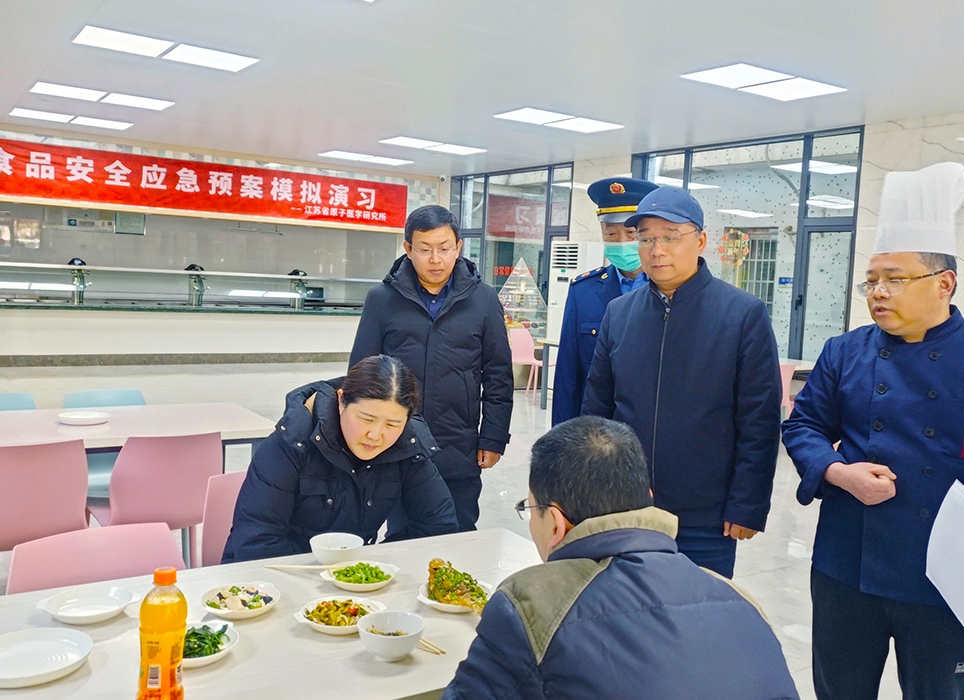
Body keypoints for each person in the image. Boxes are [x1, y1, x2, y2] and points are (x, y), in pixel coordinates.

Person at [783, 162, 964, 700]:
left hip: (950, 571)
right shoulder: (843, 351)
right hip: (845, 561)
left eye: (895, 280)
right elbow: (803, 425)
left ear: (945, 283)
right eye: (872, 280)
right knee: (839, 689)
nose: (878, 292)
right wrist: (837, 471)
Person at [441, 416, 799, 700]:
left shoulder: (533, 600)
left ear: (554, 521)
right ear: (648, 497)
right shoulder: (738, 597)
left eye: (530, 508)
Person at [581, 185, 781, 578]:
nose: (657, 250)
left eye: (671, 237)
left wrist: (747, 505)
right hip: (626, 507)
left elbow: (759, 420)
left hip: (705, 515)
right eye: (647, 238)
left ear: (701, 240)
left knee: (696, 627)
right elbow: (596, 411)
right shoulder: (619, 314)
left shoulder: (742, 315)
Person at [350, 205, 513, 532]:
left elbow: (498, 375)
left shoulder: (483, 299)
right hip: (398, 444)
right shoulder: (382, 299)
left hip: (460, 446)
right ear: (408, 249)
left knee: (460, 532)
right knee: (404, 537)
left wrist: (494, 438)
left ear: (458, 248)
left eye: (444, 249)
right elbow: (361, 375)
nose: (435, 259)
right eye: (425, 250)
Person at [222, 355, 458, 563]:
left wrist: (375, 567)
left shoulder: (408, 446)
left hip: (351, 585)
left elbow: (438, 526)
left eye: (392, 424)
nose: (375, 435)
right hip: (266, 581)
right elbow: (256, 544)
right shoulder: (293, 442)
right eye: (366, 419)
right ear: (341, 400)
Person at [551, 177, 658, 424]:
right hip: (598, 431)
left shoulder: (670, 290)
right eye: (611, 233)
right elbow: (569, 375)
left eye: (630, 233)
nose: (621, 242)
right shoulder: (583, 291)